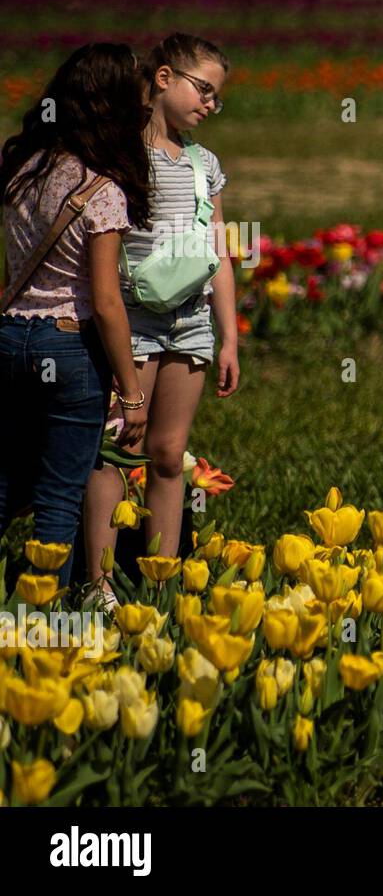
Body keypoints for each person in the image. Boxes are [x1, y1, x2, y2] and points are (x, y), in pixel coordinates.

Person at [83, 33, 240, 610]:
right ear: (165, 77)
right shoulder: (119, 155)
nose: (210, 104)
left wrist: (230, 337)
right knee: (119, 446)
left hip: (190, 323)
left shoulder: (205, 164)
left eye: (217, 98)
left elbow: (218, 251)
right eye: (204, 89)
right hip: (133, 323)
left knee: (171, 454)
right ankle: (98, 585)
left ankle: (161, 580)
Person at [0, 43, 151, 591]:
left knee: (4, 486)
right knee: (58, 500)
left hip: (10, 338)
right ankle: (46, 620)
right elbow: (107, 302)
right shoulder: (102, 189)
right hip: (67, 349)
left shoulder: (21, 169)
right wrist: (132, 395)